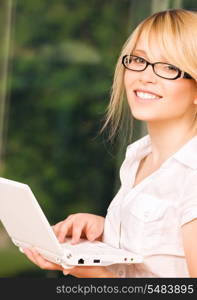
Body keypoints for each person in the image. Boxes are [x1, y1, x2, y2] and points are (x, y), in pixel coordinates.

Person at [23, 8, 197, 277]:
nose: (146, 76)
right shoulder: (140, 157)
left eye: (169, 67)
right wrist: (106, 233)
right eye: (139, 60)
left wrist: (99, 277)